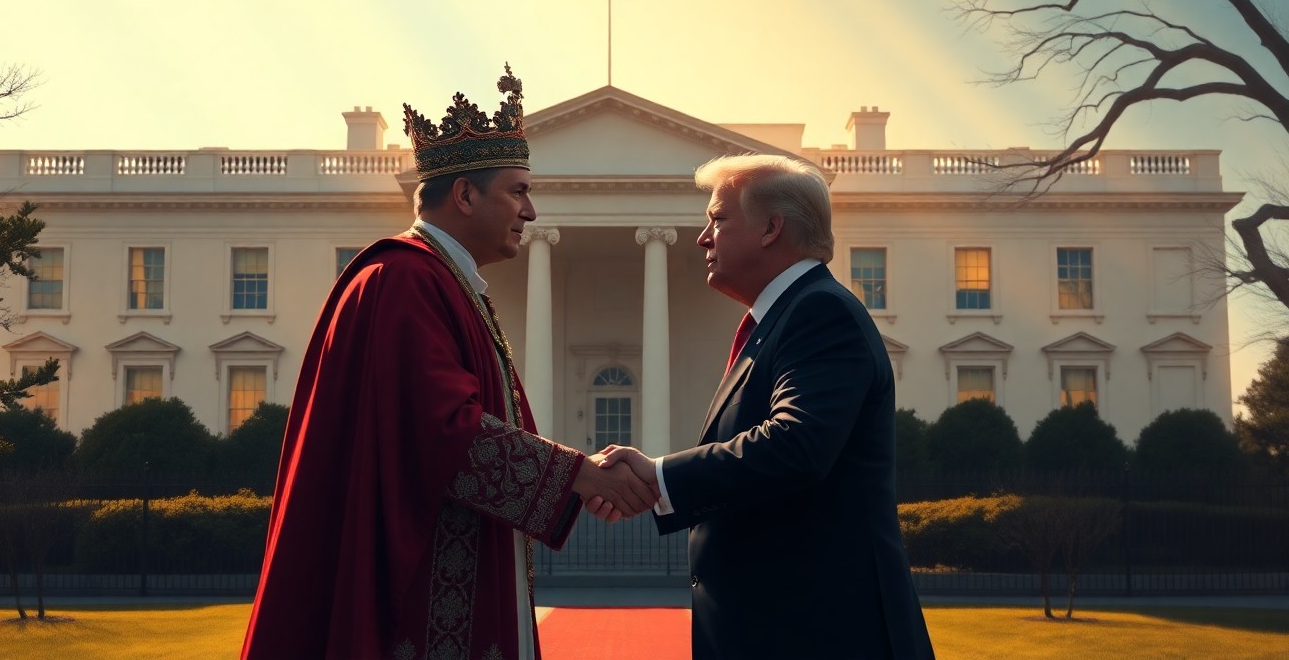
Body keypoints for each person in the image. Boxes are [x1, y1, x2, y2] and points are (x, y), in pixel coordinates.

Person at [241, 64, 657, 660]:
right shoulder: (405, 278)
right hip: (423, 593)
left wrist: (577, 477)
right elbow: (441, 431)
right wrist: (582, 475)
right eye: (517, 191)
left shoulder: (442, 282)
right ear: (464, 194)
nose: (531, 212)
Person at [600, 154, 936, 659]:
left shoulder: (820, 311)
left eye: (718, 219)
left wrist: (660, 476)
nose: (703, 238)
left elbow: (797, 444)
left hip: (820, 634)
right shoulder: (783, 320)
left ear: (771, 228)